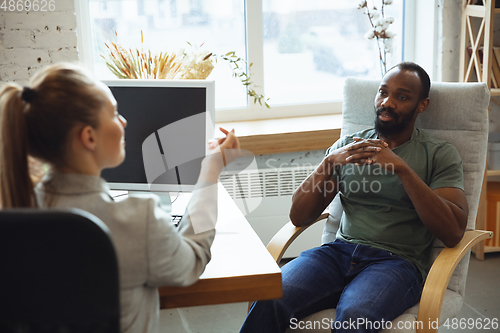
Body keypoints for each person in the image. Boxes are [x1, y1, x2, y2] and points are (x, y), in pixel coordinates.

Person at [0, 62, 240, 333]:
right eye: (114, 113)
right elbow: (193, 260)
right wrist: (211, 170)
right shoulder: (139, 222)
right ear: (89, 137)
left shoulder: (16, 212)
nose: (124, 122)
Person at [240, 62, 468, 333]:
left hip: (397, 263)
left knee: (354, 317)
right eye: (383, 93)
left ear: (422, 105)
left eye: (402, 96)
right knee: (270, 296)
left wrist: (402, 169)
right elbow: (299, 216)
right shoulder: (349, 147)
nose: (387, 102)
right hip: (338, 253)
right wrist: (327, 164)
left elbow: (453, 231)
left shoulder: (438, 153)